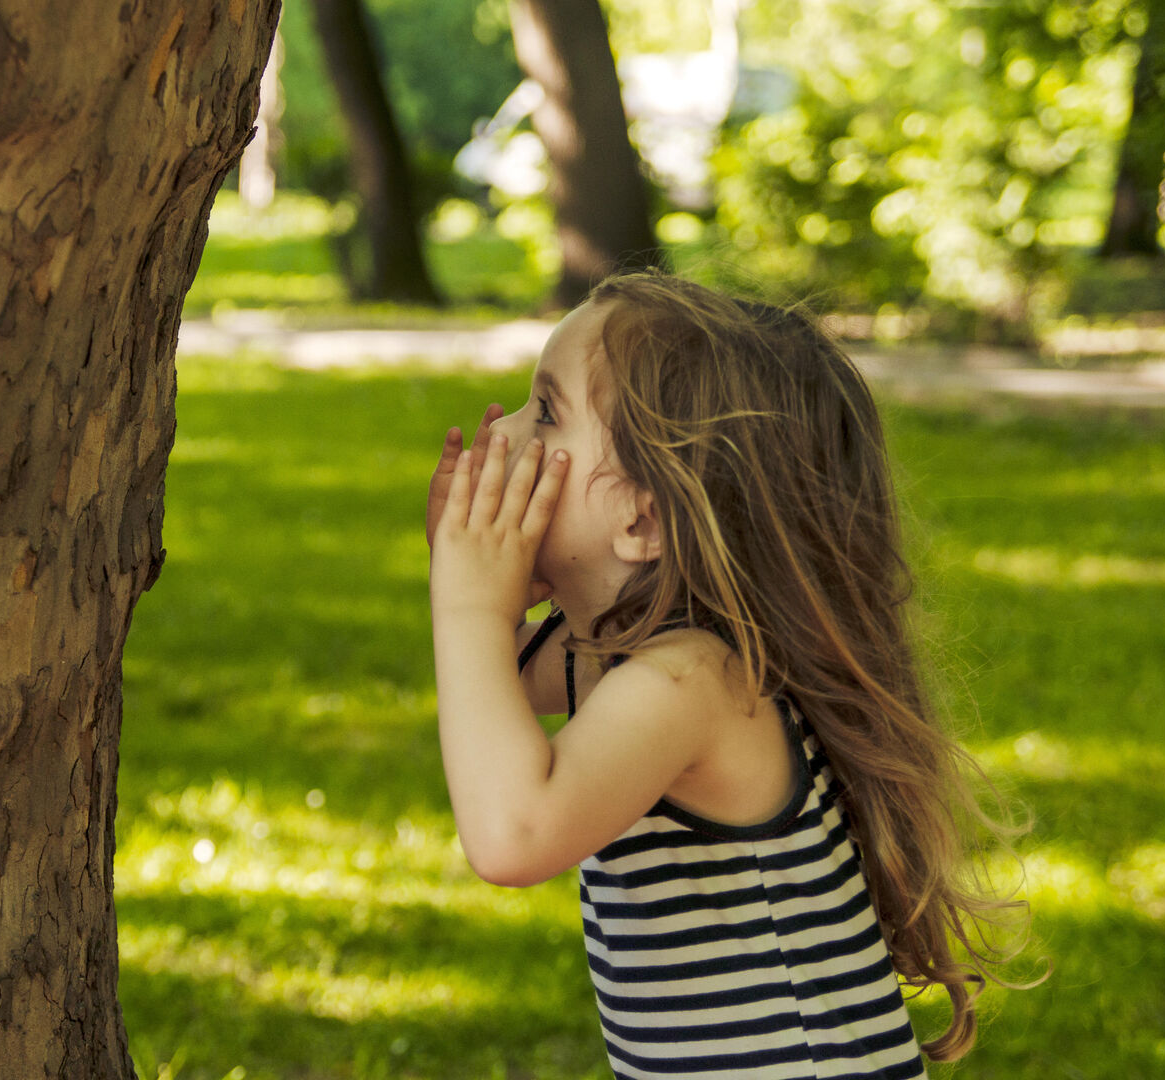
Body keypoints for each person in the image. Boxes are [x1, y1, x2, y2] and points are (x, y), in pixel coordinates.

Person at [425, 270, 1033, 1079]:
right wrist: (481, 588)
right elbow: (490, 692)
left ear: (641, 517)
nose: (507, 438)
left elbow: (512, 836)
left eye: (547, 412)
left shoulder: (694, 684)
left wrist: (468, 605)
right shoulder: (615, 649)